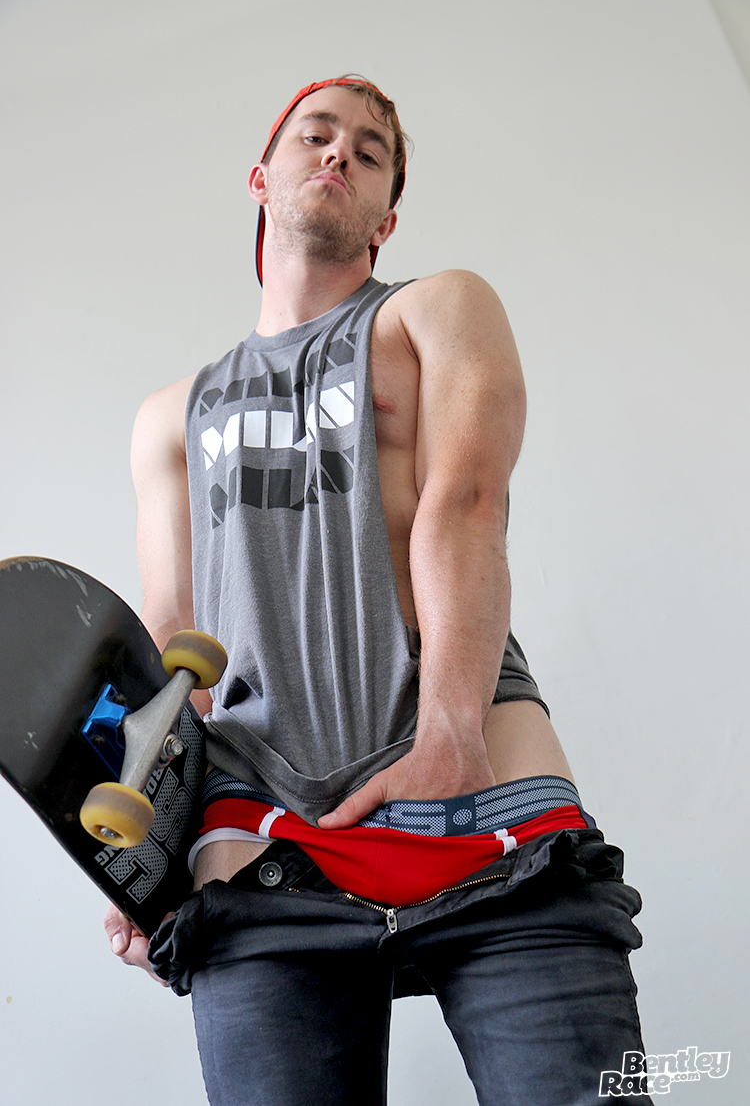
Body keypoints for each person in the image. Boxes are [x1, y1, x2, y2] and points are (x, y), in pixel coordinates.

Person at [104, 76, 652, 1105]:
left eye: (370, 151)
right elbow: (174, 642)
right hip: (264, 834)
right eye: (317, 135)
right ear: (261, 179)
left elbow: (468, 503)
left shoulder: (436, 309)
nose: (340, 153)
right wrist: (145, 861)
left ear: (386, 218)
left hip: (476, 784)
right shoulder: (168, 417)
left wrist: (450, 733)